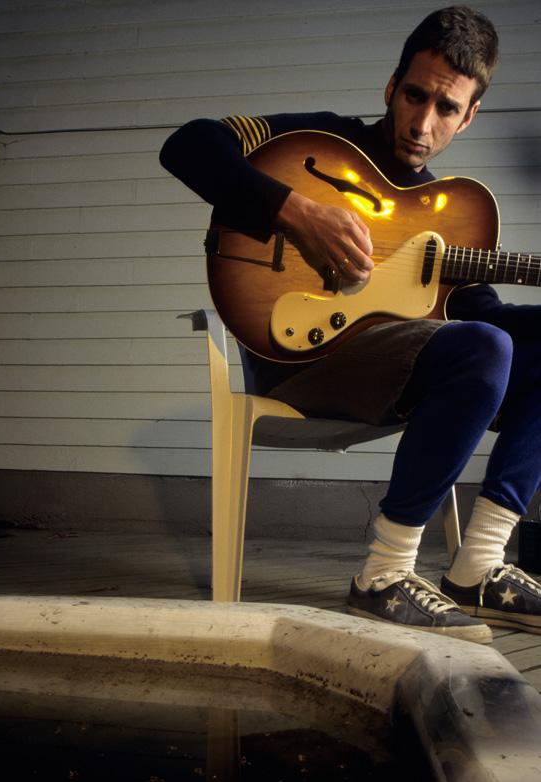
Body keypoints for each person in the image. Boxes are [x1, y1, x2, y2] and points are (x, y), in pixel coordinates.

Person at [160, 5, 541, 644]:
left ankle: (479, 566)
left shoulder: (456, 213)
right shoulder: (325, 145)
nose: (422, 123)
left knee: (496, 340)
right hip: (300, 361)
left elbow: (489, 327)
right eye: (414, 96)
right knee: (482, 346)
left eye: (446, 109)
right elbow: (188, 144)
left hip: (397, 368)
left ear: (468, 115)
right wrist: (297, 212)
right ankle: (385, 575)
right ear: (391, 87)